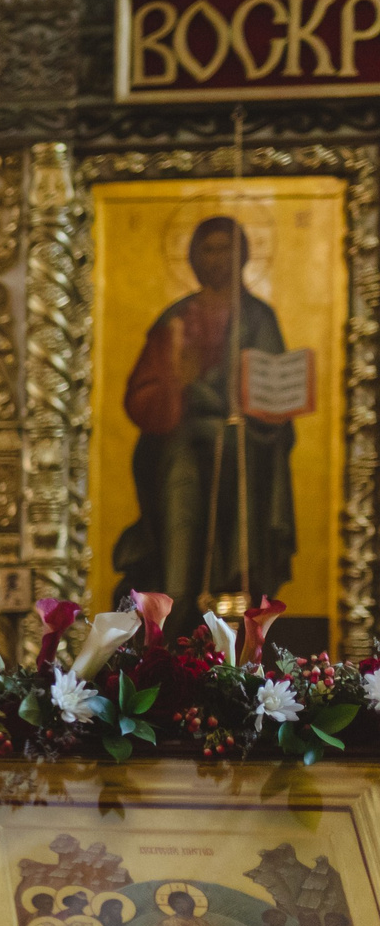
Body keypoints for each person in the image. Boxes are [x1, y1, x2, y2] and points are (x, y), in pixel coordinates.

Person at [115, 216, 299, 632]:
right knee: (179, 546)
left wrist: (269, 411)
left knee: (241, 556)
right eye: (209, 249)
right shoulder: (176, 319)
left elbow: (276, 395)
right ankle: (173, 623)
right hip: (180, 451)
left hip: (247, 455)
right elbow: (141, 397)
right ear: (194, 257)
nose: (218, 259)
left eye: (226, 248)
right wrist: (175, 384)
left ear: (244, 256)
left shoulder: (260, 318)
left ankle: (239, 630)